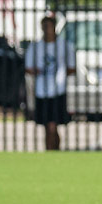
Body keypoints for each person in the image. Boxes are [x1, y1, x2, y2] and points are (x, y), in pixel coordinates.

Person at [23, 14, 76, 151]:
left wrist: (61, 74)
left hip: (58, 90)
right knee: (48, 126)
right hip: (42, 91)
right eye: (44, 26)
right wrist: (38, 72)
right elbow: (28, 69)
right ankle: (51, 151)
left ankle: (53, 151)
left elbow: (71, 68)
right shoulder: (35, 47)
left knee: (53, 125)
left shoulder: (64, 45)